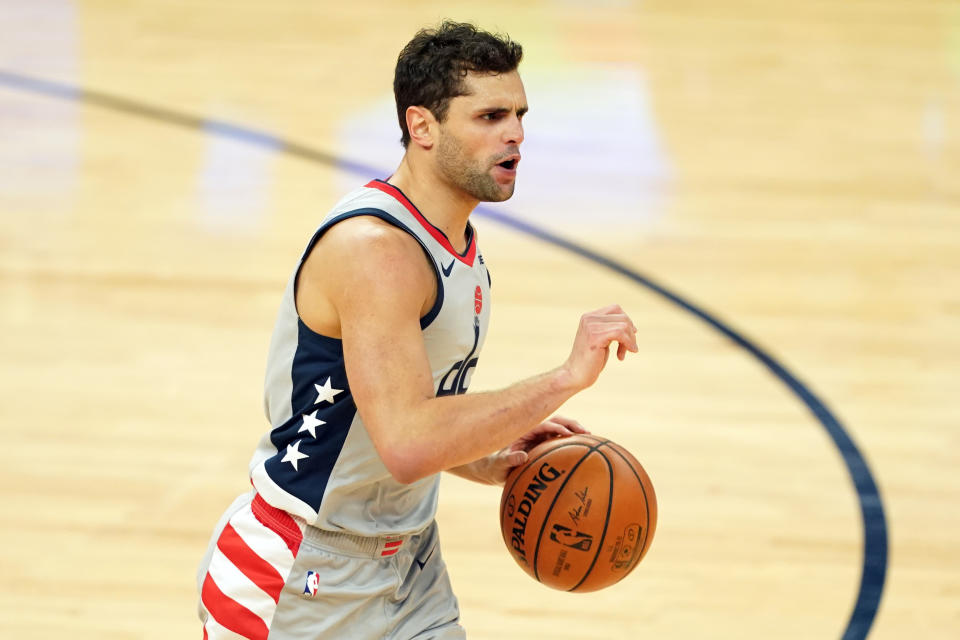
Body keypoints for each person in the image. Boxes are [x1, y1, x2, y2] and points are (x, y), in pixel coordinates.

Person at [196, 20, 638, 640]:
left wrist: (484, 456)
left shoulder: (457, 243)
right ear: (421, 126)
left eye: (519, 114)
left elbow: (398, 411)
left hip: (407, 565)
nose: (515, 133)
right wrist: (563, 379)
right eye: (489, 117)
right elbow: (407, 442)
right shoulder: (376, 251)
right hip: (304, 578)